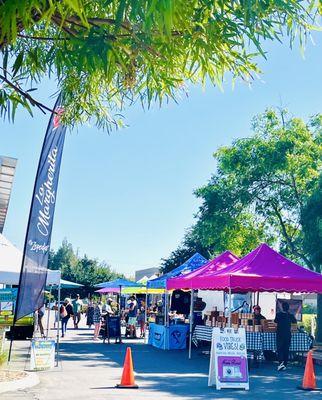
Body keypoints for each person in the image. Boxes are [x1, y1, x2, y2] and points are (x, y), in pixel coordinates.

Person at [274, 302, 297, 371]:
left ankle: (281, 363)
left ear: (282, 308)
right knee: (286, 349)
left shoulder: (278, 315)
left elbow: (275, 321)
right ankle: (285, 364)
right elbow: (295, 322)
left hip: (280, 334)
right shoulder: (290, 315)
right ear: (288, 308)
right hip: (287, 334)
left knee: (280, 349)